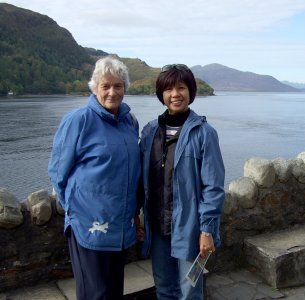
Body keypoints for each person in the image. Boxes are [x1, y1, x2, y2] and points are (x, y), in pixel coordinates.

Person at [48, 56, 141, 300]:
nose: (112, 92)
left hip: (120, 227)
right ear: (95, 87)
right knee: (95, 294)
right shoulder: (78, 121)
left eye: (118, 85)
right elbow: (58, 173)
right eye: (105, 86)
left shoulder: (130, 122)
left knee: (113, 292)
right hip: (89, 227)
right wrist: (76, 210)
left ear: (125, 88)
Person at [140, 64, 225, 300]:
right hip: (158, 228)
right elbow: (143, 180)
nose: (175, 94)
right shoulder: (149, 132)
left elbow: (213, 186)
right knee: (164, 288)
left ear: (190, 91)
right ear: (161, 94)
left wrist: (207, 229)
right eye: (168, 89)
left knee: (190, 290)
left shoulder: (204, 133)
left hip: (190, 229)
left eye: (181, 87)